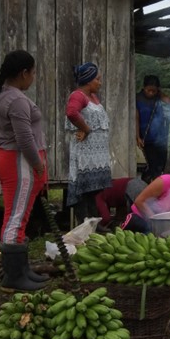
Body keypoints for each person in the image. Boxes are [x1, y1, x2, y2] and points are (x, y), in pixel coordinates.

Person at [0, 49, 48, 293]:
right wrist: (38, 165)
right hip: (19, 161)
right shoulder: (17, 100)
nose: (33, 78)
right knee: (16, 218)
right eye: (32, 73)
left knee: (16, 216)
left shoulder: (2, 94)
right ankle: (13, 277)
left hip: (10, 159)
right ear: (24, 73)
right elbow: (25, 139)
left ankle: (20, 270)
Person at [65, 62, 112, 222]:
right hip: (85, 157)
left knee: (92, 193)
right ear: (88, 80)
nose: (100, 82)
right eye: (97, 79)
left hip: (96, 158)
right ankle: (85, 226)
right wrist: (85, 128)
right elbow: (71, 113)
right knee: (84, 192)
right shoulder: (78, 95)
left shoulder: (93, 97)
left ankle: (93, 224)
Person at [135, 75, 170, 183]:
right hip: (147, 138)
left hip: (160, 137)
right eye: (149, 90)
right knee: (153, 165)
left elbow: (168, 100)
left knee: (162, 164)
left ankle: (154, 184)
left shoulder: (158, 96)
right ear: (143, 87)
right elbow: (136, 118)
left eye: (154, 91)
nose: (151, 93)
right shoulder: (137, 98)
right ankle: (149, 185)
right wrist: (137, 136)